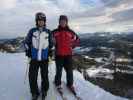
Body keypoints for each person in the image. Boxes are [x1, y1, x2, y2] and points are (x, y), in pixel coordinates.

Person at [24, 12, 53, 100]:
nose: (41, 22)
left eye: (42, 20)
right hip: (34, 59)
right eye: (39, 20)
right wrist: (28, 50)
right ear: (36, 21)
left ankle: (44, 90)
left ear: (45, 21)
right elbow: (25, 43)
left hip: (44, 59)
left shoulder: (48, 32)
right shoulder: (32, 31)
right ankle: (34, 93)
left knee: (45, 76)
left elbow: (52, 44)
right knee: (32, 76)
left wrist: (50, 52)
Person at [53, 15, 80, 91]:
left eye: (64, 21)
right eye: (61, 21)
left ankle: (70, 84)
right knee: (59, 71)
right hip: (59, 55)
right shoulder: (55, 32)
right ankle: (57, 83)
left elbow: (77, 39)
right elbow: (49, 41)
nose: (62, 22)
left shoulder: (71, 32)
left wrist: (72, 46)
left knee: (69, 71)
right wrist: (52, 45)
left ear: (66, 22)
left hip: (68, 55)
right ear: (59, 22)